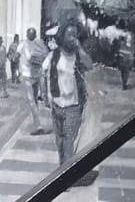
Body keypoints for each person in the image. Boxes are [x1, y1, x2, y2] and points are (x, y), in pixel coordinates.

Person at [41, 22, 96, 180]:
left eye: (75, 35)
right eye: (70, 34)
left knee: (68, 141)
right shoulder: (54, 55)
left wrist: (79, 47)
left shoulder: (78, 56)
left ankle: (66, 178)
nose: (73, 38)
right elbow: (43, 73)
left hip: (73, 106)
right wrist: (45, 95)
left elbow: (90, 65)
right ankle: (64, 173)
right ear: (62, 36)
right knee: (60, 142)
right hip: (57, 105)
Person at [21, 26, 49, 117]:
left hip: (37, 72)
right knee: (32, 97)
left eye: (31, 35)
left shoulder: (39, 43)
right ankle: (36, 115)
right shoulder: (24, 43)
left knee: (36, 94)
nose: (29, 36)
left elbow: (46, 54)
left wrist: (38, 58)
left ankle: (39, 108)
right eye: (29, 34)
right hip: (29, 74)